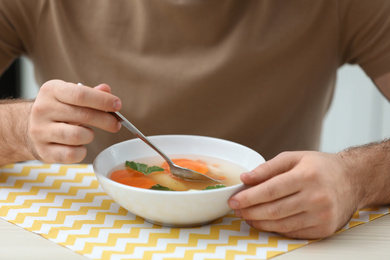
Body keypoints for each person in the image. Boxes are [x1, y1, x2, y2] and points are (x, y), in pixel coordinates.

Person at [0, 0, 389, 239]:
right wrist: (20, 129)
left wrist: (357, 179)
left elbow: (358, 180)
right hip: (79, 235)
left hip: (280, 239)